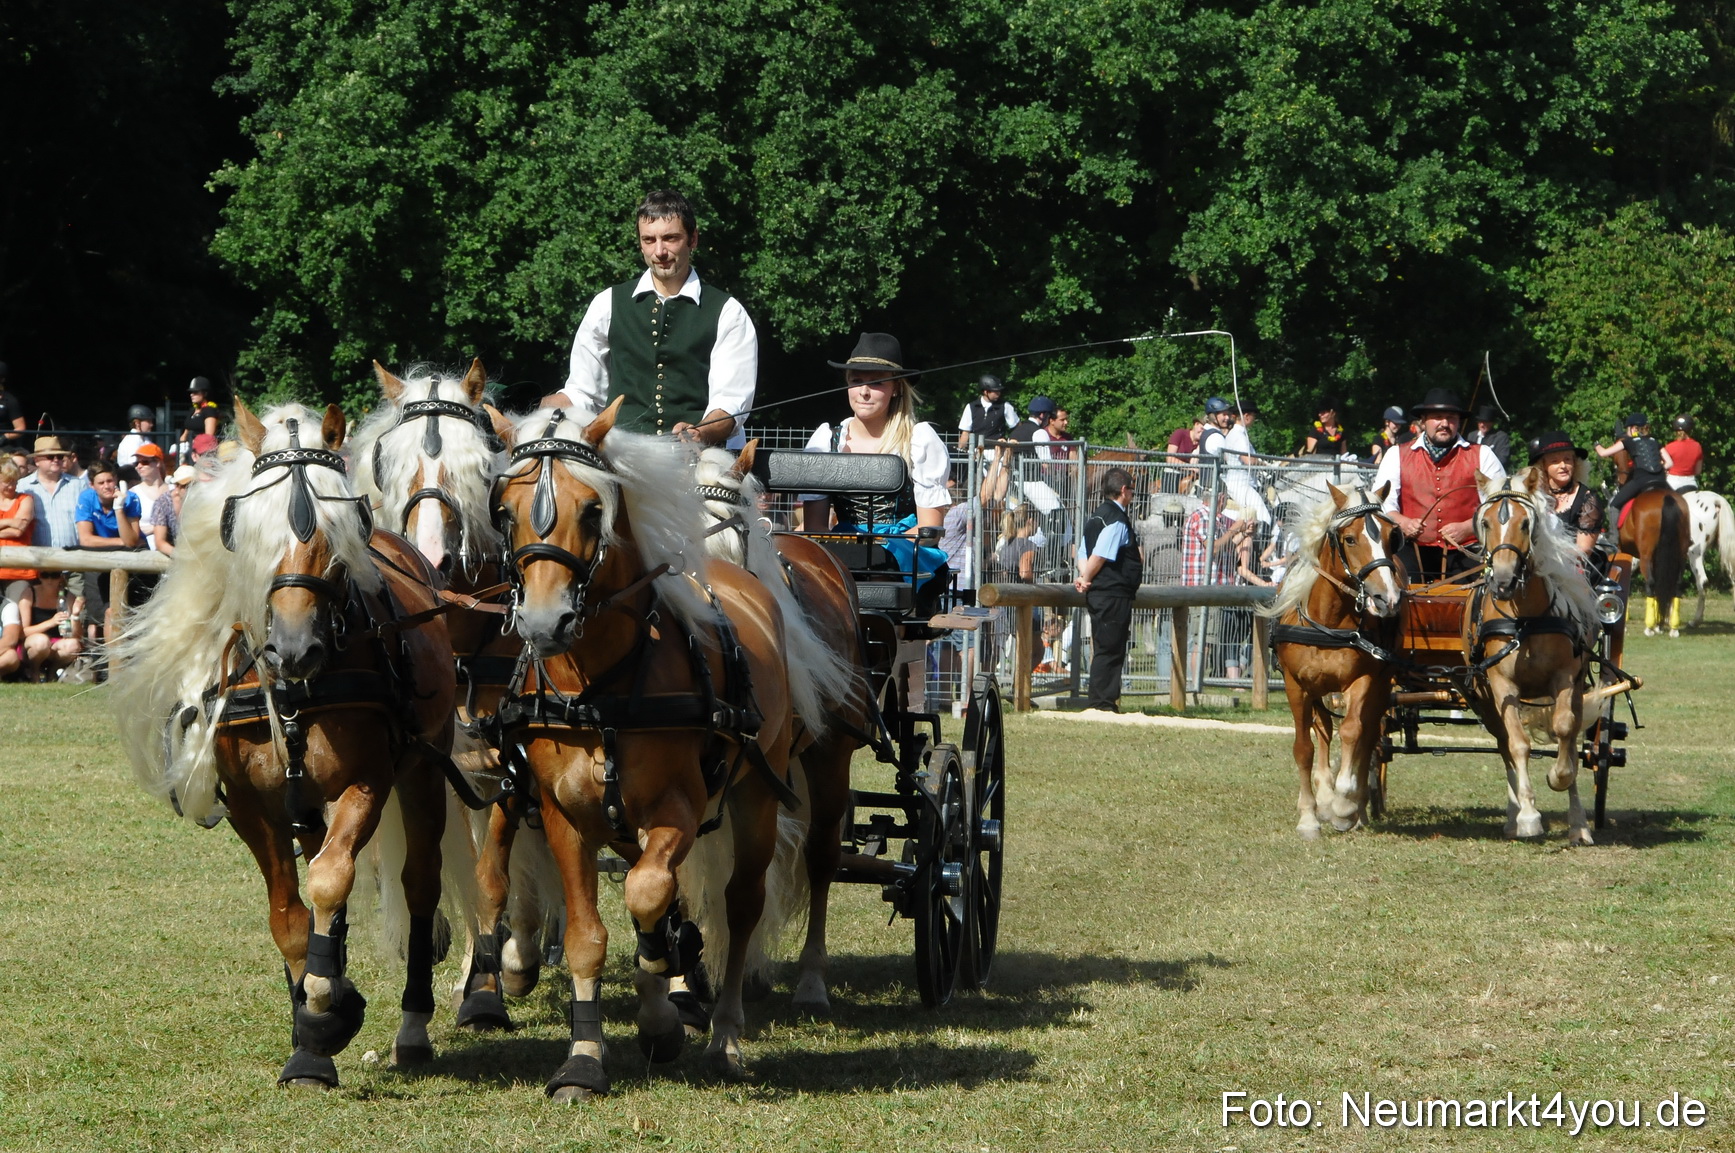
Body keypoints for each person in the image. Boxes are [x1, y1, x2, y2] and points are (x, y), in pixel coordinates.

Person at [555, 190, 755, 447]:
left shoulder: (728, 312)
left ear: (693, 239)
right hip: (620, 459)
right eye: (649, 240)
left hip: (695, 463)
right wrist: (547, 407)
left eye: (670, 238)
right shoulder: (606, 304)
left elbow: (730, 404)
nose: (659, 251)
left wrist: (702, 432)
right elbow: (584, 393)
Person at [802, 334, 951, 607]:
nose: (864, 392)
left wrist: (879, 543)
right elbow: (814, 527)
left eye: (876, 382)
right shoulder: (826, 439)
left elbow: (931, 526)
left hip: (904, 548)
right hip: (844, 546)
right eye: (856, 381)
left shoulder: (918, 438)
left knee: (876, 562)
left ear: (896, 388)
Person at [1373, 387, 1506, 580]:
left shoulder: (1483, 455)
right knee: (1394, 588)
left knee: (1477, 596)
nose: (1444, 424)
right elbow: (1383, 503)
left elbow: (1499, 506)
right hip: (1411, 548)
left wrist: (1468, 527)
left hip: (1467, 549)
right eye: (1437, 417)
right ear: (1423, 421)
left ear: (1459, 422)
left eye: (1451, 418)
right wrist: (1404, 523)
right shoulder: (1396, 454)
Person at [1075, 467, 1143, 712]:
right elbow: (1101, 554)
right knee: (1110, 649)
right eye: (1132, 490)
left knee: (1105, 646)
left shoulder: (1096, 515)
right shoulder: (1116, 519)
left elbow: (1082, 551)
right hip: (1112, 592)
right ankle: (1103, 703)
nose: (1133, 495)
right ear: (1123, 490)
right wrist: (1087, 577)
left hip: (1100, 590)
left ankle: (1102, 701)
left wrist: (1084, 576)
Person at [1531, 430, 1604, 563]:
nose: (1563, 466)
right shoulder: (1534, 496)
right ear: (1544, 466)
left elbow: (1583, 550)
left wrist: (1544, 556)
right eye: (1555, 461)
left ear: (1575, 463)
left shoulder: (1588, 500)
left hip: (1576, 569)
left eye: (1567, 459)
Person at [1222, 401, 1271, 525]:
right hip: (1241, 485)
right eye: (1253, 416)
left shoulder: (1234, 434)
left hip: (1239, 482)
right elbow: (1248, 461)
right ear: (1246, 416)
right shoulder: (1239, 436)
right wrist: (1267, 466)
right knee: (1265, 518)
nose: (1254, 419)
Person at [956, 374, 1018, 451]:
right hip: (976, 451)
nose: (999, 393)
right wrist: (960, 451)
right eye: (995, 391)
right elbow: (965, 432)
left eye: (999, 391)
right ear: (986, 392)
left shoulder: (1005, 406)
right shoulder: (971, 407)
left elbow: (1016, 427)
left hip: (997, 451)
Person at [127, 443, 169, 547]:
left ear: (158, 463)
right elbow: (130, 531)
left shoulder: (173, 490)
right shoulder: (133, 493)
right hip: (144, 552)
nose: (139, 466)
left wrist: (153, 529)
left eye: (144, 462)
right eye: (136, 463)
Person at [152, 465, 197, 555]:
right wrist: (181, 556)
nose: (192, 489)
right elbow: (160, 543)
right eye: (187, 486)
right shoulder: (163, 502)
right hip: (173, 554)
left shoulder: (203, 501)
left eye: (195, 485)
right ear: (177, 486)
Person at [177, 377, 222, 460]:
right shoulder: (192, 411)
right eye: (191, 392)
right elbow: (185, 434)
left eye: (195, 392)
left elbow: (209, 437)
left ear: (205, 393)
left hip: (202, 452)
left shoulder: (209, 411)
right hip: (188, 448)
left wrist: (195, 447)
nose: (191, 394)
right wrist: (179, 445)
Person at [1467, 405, 1513, 472]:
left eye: (1485, 422)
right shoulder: (1471, 436)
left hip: (1491, 474)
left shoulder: (1501, 437)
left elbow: (1502, 459)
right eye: (1480, 422)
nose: (1482, 425)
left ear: (1492, 423)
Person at [1665, 414, 1704, 492]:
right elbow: (1698, 471)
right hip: (1690, 483)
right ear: (1690, 430)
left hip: (1672, 483)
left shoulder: (1669, 447)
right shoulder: (1697, 446)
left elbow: (1663, 467)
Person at [117, 405, 159, 470]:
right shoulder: (132, 440)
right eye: (148, 421)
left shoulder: (144, 438)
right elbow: (133, 466)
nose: (151, 424)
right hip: (132, 478)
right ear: (137, 423)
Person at [0, 362, 24, 446]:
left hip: (3, 447)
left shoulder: (10, 400)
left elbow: (20, 428)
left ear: (2, 379)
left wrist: (5, 437)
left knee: (19, 459)